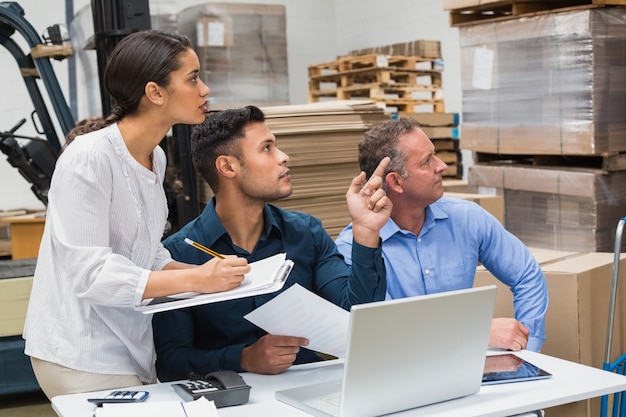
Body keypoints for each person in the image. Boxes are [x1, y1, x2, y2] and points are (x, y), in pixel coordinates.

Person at [23, 30, 250, 400]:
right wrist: (197, 281)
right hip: (81, 351)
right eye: (192, 78)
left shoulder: (154, 156)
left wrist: (216, 275)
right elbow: (92, 273)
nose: (205, 89)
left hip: (127, 343)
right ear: (155, 92)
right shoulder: (88, 158)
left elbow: (148, 254)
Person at [152, 105, 392, 381]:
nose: (283, 157)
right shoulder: (179, 254)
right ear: (228, 166)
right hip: (230, 402)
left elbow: (358, 314)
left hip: (310, 392)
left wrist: (365, 232)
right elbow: (170, 362)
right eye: (267, 148)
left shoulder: (307, 234)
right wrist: (242, 358)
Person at [335, 117, 548, 352]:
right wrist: (475, 331)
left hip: (469, 365)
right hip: (403, 376)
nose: (441, 166)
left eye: (435, 154)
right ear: (396, 181)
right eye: (427, 161)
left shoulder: (467, 219)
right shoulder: (355, 250)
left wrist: (528, 351)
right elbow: (382, 331)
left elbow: (527, 275)